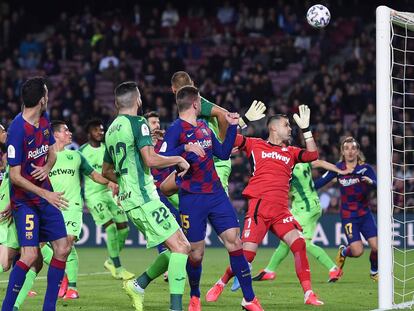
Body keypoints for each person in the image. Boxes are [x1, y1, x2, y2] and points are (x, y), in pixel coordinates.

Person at [206, 106, 324, 306]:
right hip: (259, 209)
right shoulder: (256, 145)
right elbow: (228, 139)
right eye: (287, 125)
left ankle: (308, 293)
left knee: (299, 244)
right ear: (274, 129)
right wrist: (243, 121)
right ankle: (221, 282)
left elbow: (313, 156)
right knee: (247, 256)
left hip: (280, 211)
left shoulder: (292, 152)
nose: (290, 129)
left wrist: (306, 129)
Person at [160, 85, 263, 311]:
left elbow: (224, 152)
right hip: (191, 198)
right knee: (195, 255)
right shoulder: (176, 129)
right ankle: (195, 295)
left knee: (235, 242)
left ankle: (249, 298)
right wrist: (184, 148)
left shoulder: (205, 127)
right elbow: (161, 156)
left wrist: (234, 127)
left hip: (216, 194)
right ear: (196, 103)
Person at [102, 81, 191, 311]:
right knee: (181, 248)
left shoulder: (111, 130)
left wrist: (125, 183)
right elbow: (150, 160)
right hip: (144, 198)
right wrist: (178, 159)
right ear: (138, 100)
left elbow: (106, 171)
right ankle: (176, 308)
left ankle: (138, 285)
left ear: (116, 102)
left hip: (134, 199)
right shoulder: (138, 122)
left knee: (178, 248)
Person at [2, 77, 71, 311]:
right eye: (47, 93)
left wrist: (48, 167)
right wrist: (44, 193)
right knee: (30, 255)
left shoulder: (44, 121)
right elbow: (15, 176)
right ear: (42, 99)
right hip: (26, 202)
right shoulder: (17, 130)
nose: (49, 97)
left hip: (44, 197)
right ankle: (7, 308)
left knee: (63, 248)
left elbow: (52, 152)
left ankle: (48, 308)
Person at [251, 160, 350, 285]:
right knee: (286, 239)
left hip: (305, 208)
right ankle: (269, 270)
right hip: (305, 206)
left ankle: (334, 269)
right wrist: (338, 170)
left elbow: (283, 191)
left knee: (304, 242)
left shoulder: (287, 168)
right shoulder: (301, 162)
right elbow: (319, 162)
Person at [315, 136, 378, 280]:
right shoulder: (337, 168)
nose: (350, 151)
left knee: (377, 248)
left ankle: (374, 271)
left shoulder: (366, 169)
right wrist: (302, 187)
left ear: (357, 151)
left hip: (365, 214)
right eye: (347, 148)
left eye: (353, 148)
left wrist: (371, 182)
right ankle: (344, 252)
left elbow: (380, 185)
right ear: (342, 152)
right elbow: (319, 183)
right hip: (348, 215)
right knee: (357, 251)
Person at [79, 119, 133, 281]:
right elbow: (77, 175)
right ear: (89, 133)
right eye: (96, 130)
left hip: (109, 193)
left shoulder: (107, 149)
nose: (100, 133)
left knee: (124, 229)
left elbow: (114, 170)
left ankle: (111, 260)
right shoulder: (82, 151)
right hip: (94, 196)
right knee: (110, 228)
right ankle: (118, 267)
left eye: (102, 130)